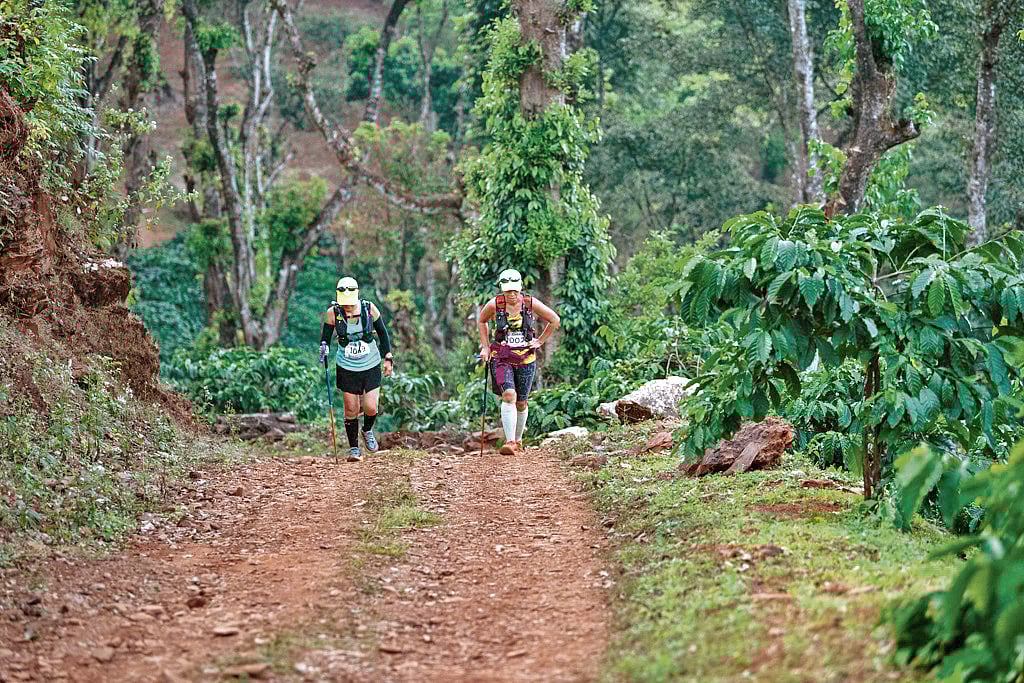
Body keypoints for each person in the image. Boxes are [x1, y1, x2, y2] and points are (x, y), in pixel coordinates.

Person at [477, 268, 561, 455]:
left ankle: (518, 441)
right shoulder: (494, 305)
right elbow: (481, 321)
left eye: (515, 290)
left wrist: (539, 341)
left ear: (520, 288)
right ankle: (509, 441)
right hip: (501, 358)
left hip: (526, 359)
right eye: (508, 291)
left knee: (521, 402)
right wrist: (485, 346)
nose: (512, 295)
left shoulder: (530, 303)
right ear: (502, 289)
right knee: (508, 395)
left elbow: (554, 320)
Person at [320, 277, 394, 462]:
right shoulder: (332, 314)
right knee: (351, 408)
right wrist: (324, 347)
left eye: (350, 304)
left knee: (370, 406)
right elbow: (326, 337)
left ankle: (367, 430)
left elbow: (383, 334)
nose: (348, 308)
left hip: (370, 363)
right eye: (344, 304)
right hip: (346, 365)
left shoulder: (370, 309)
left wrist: (388, 358)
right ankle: (354, 449)